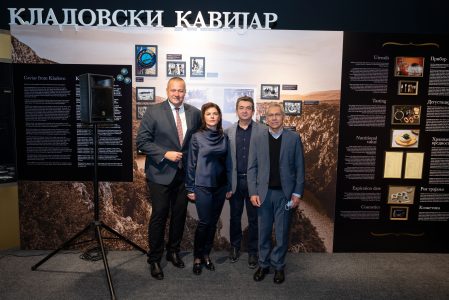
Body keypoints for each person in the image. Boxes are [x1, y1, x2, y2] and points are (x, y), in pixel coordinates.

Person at [136, 77, 202, 280]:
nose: (177, 94)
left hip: (184, 175)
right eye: (173, 90)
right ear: (167, 90)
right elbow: (142, 141)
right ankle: (155, 259)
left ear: (185, 92)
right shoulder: (153, 111)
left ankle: (173, 251)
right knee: (160, 215)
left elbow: (198, 141)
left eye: (181, 90)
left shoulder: (195, 113)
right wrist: (165, 153)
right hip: (160, 173)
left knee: (180, 215)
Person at [247, 103, 305, 284]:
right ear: (265, 118)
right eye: (270, 115)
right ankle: (263, 265)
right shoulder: (257, 138)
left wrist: (297, 193)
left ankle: (279, 266)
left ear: (283, 117)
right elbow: (252, 167)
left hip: (284, 195)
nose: (273, 118)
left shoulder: (294, 138)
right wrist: (253, 192)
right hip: (264, 195)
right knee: (263, 233)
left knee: (281, 233)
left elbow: (300, 168)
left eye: (277, 115)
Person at [186, 102, 232, 275]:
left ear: (219, 117)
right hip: (202, 186)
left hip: (220, 187)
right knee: (204, 223)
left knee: (213, 223)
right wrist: (190, 188)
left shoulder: (224, 137)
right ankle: (197, 257)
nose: (212, 116)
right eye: (208, 114)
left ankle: (206, 255)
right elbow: (191, 164)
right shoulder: (196, 137)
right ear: (203, 117)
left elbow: (228, 162)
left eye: (215, 113)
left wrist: (229, 185)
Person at [225, 96, 263, 268]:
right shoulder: (228, 131)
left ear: (253, 111)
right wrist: (227, 184)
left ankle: (253, 251)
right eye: (241, 107)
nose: (245, 110)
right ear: (237, 110)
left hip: (254, 184)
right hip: (235, 182)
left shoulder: (262, 131)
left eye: (248, 107)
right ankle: (235, 247)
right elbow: (225, 161)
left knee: (254, 220)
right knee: (234, 218)